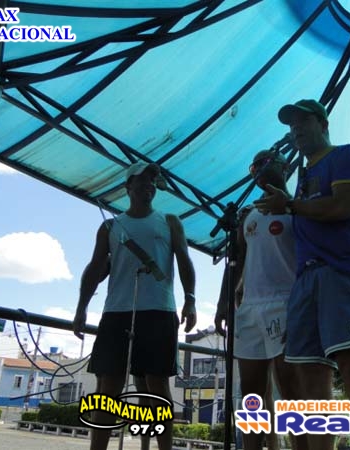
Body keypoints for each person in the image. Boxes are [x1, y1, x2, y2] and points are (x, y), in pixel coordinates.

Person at [253, 99, 350, 450]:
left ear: (324, 124)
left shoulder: (348, 155)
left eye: (303, 121)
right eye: (291, 124)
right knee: (309, 379)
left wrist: (289, 205)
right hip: (305, 280)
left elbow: (343, 206)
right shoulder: (302, 178)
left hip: (342, 272)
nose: (295, 128)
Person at [72, 161, 197, 450]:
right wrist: (81, 308)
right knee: (108, 388)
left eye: (152, 181)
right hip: (116, 312)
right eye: (141, 180)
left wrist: (190, 299)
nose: (148, 185)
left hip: (159, 311)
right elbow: (95, 268)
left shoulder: (170, 221)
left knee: (157, 386)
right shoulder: (110, 226)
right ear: (128, 186)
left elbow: (184, 260)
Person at [214, 150, 306, 450]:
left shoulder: (299, 207)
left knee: (291, 390)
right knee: (251, 393)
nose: (259, 170)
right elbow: (236, 261)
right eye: (254, 167)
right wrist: (223, 303)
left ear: (285, 166)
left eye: (265, 162)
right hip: (250, 307)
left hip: (287, 303)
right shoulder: (248, 215)